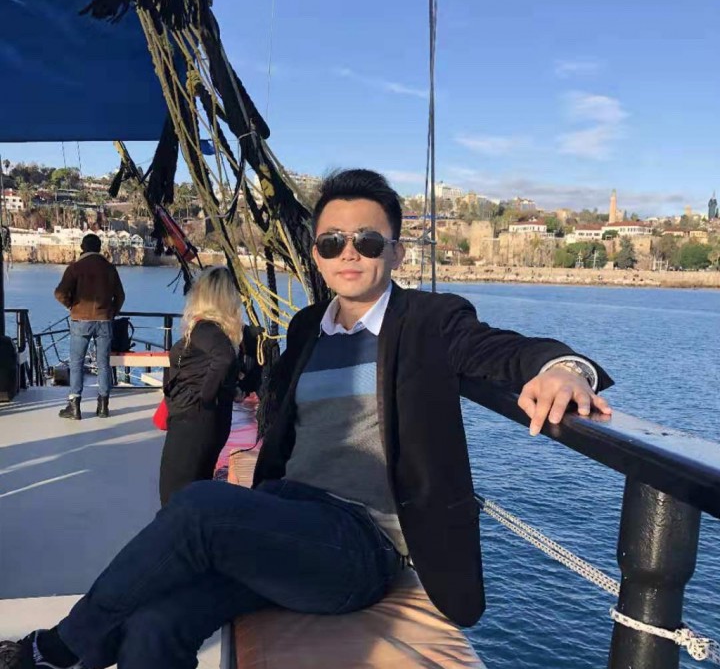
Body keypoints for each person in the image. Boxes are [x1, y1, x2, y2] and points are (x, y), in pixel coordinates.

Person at [0, 169, 612, 669]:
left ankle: (57, 649)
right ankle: (83, 644)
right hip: (286, 517)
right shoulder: (306, 327)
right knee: (156, 626)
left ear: (396, 251)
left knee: (197, 506)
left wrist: (564, 369)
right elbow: (286, 422)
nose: (350, 254)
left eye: (368, 241)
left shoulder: (428, 322)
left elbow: (506, 351)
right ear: (316, 254)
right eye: (332, 242)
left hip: (360, 546)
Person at [159, 266, 243, 506]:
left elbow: (223, 358)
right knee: (194, 492)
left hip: (192, 422)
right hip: (203, 422)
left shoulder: (205, 328)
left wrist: (205, 397)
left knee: (174, 494)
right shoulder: (219, 331)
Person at [53, 232, 125, 421]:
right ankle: (103, 406)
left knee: (76, 363)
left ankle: (74, 406)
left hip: (81, 320)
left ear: (82, 248)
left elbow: (59, 293)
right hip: (104, 321)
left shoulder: (75, 268)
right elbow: (120, 296)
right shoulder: (109, 268)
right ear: (99, 248)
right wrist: (111, 312)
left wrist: (71, 305)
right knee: (103, 364)